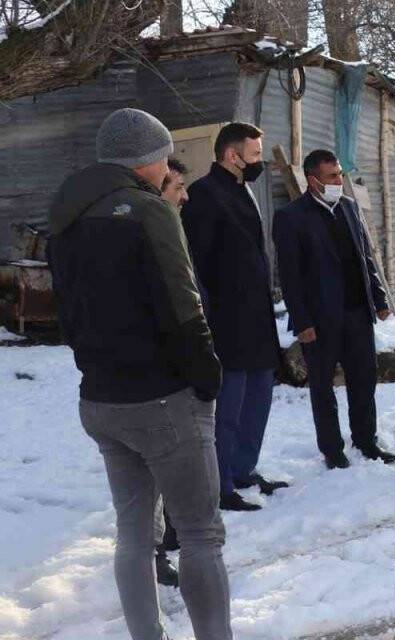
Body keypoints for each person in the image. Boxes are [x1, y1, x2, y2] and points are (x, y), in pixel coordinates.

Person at [47, 108, 231, 639]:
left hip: (100, 398)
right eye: (163, 157)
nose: (165, 166)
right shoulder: (149, 212)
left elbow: (69, 312)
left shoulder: (67, 213)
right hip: (162, 398)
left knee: (132, 533)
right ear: (148, 159)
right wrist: (207, 376)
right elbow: (183, 305)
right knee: (200, 534)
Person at [182, 122, 286, 511]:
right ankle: (221, 483)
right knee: (227, 409)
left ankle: (244, 468)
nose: (260, 162)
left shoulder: (244, 190)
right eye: (255, 155)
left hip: (257, 319)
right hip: (226, 323)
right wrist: (208, 319)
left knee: (258, 400)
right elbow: (198, 264)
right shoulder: (204, 195)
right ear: (231, 155)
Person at [273, 149, 395, 469]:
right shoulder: (291, 217)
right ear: (312, 180)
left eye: (339, 174)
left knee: (364, 380)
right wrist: (302, 320)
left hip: (357, 313)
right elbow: (290, 275)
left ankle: (366, 440)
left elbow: (365, 258)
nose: (338, 181)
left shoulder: (349, 208)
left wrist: (379, 299)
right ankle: (332, 449)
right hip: (319, 320)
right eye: (331, 176)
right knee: (322, 387)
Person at [153, 156, 191, 588]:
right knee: (158, 470)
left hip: (179, 372)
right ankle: (157, 551)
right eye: (177, 187)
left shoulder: (175, 228)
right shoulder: (146, 236)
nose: (184, 195)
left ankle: (171, 535)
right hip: (155, 379)